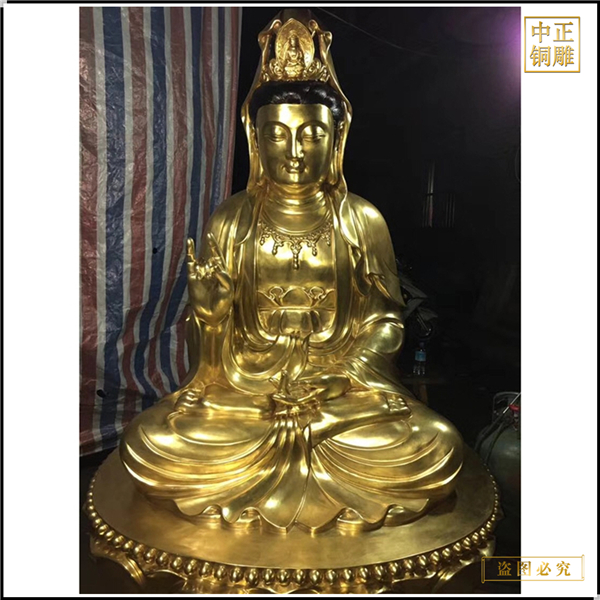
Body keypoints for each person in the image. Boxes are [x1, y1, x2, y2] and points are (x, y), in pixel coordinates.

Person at [120, 12, 463, 533]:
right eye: (277, 134)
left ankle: (319, 436)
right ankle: (304, 450)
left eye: (311, 134)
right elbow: (210, 368)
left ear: (336, 139)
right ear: (256, 141)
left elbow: (386, 322)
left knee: (436, 444)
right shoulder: (232, 220)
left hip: (340, 394)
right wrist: (211, 319)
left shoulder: (361, 220)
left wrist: (341, 376)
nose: (295, 151)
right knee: (153, 441)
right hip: (248, 395)